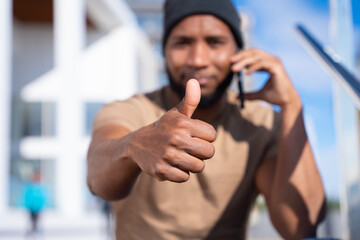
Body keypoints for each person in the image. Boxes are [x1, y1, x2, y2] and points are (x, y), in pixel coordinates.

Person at [87, 0, 326, 239]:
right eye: (182, 43)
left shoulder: (261, 124)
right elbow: (98, 181)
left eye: (215, 42)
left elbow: (299, 227)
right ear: (165, 51)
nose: (198, 59)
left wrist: (292, 106)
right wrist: (133, 146)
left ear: (239, 53)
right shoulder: (132, 111)